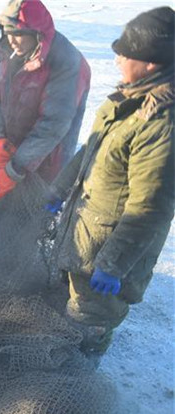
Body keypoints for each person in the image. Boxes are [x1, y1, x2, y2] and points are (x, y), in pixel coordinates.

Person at [50, 6, 174, 358]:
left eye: (126, 52)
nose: (117, 57)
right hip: (87, 235)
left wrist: (113, 264)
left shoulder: (162, 124)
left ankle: (80, 374)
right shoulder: (127, 100)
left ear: (151, 63)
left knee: (90, 322)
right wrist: (59, 189)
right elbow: (91, 150)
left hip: (108, 251)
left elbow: (150, 209)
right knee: (76, 306)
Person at [0, 0, 91, 202]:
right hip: (8, 159)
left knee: (27, 228)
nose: (11, 41)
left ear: (36, 32)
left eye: (17, 34)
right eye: (7, 33)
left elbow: (53, 124)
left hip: (46, 170)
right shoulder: (11, 53)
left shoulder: (67, 62)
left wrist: (16, 168)